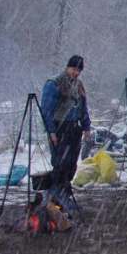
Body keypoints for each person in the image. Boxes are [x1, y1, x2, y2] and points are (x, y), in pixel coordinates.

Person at [41, 55, 91, 213]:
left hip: (74, 129)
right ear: (68, 67)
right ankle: (55, 198)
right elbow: (47, 110)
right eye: (74, 69)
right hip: (60, 128)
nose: (76, 73)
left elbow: (83, 108)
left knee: (71, 165)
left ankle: (65, 196)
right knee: (60, 164)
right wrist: (51, 131)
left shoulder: (79, 85)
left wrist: (86, 127)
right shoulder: (54, 84)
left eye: (78, 70)